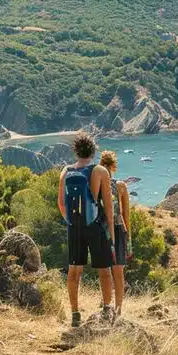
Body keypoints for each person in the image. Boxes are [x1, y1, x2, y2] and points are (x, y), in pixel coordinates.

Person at [57, 134, 115, 328]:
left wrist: (72, 222)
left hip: (75, 226)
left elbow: (61, 204)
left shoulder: (66, 172)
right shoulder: (99, 171)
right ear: (93, 151)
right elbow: (108, 206)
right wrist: (111, 233)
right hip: (95, 226)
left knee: (74, 271)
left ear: (76, 151)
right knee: (104, 270)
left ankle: (75, 314)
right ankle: (107, 310)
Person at [99, 150, 132, 315]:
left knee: (104, 271)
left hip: (101, 230)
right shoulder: (121, 186)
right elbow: (126, 215)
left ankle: (106, 306)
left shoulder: (97, 184)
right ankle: (118, 311)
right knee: (118, 272)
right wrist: (129, 240)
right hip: (119, 230)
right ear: (114, 166)